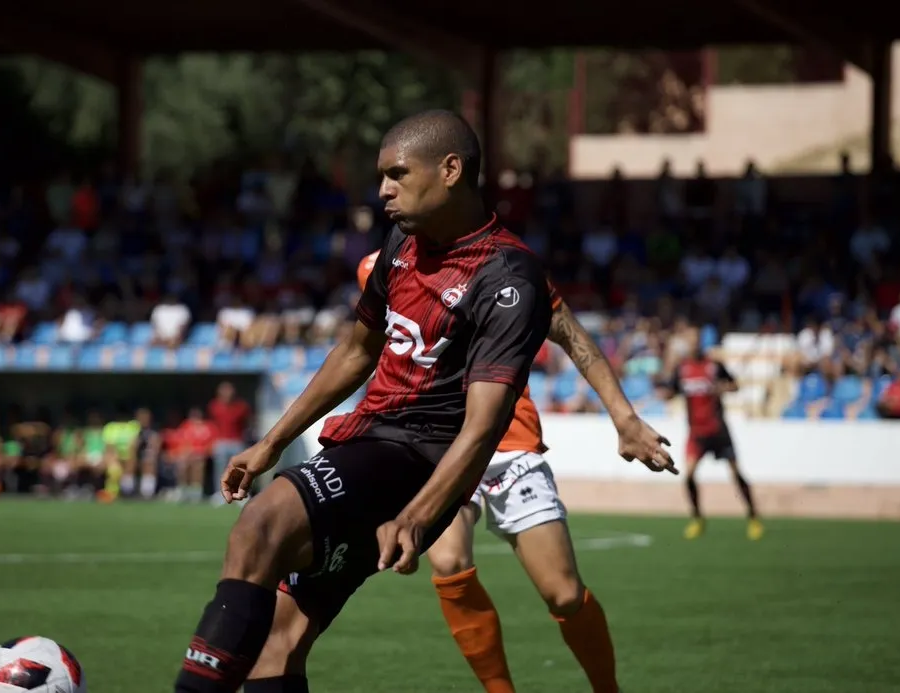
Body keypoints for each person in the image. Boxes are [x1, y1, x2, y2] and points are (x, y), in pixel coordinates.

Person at [173, 110, 673, 693]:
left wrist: (624, 417)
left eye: (397, 174)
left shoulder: (510, 277)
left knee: (261, 525)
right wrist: (272, 442)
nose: (383, 190)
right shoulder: (401, 244)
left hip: (435, 453)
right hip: (379, 443)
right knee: (276, 646)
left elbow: (505, 403)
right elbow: (356, 351)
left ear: (451, 170)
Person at [357, 251, 674, 693]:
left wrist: (625, 418)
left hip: (510, 440)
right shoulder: (385, 269)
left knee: (563, 593)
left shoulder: (503, 264)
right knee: (448, 562)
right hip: (441, 446)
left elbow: (571, 335)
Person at [659, 330, 761, 540]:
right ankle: (697, 518)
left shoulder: (714, 365)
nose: (694, 345)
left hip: (718, 430)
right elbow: (670, 392)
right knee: (688, 476)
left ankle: (753, 517)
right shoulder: (682, 368)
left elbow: (734, 385)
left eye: (696, 341)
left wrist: (722, 387)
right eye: (690, 341)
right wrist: (664, 391)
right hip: (696, 432)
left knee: (736, 473)